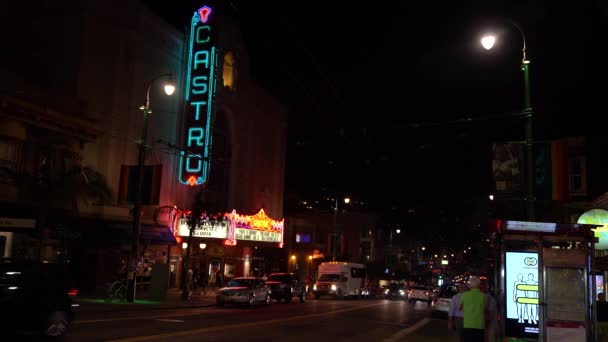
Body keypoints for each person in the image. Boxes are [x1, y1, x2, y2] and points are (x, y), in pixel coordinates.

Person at [459, 276, 486, 342]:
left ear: (470, 285)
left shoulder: (464, 295)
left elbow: (460, 307)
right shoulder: (483, 296)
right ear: (479, 285)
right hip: (479, 325)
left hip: (468, 325)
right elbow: (485, 309)